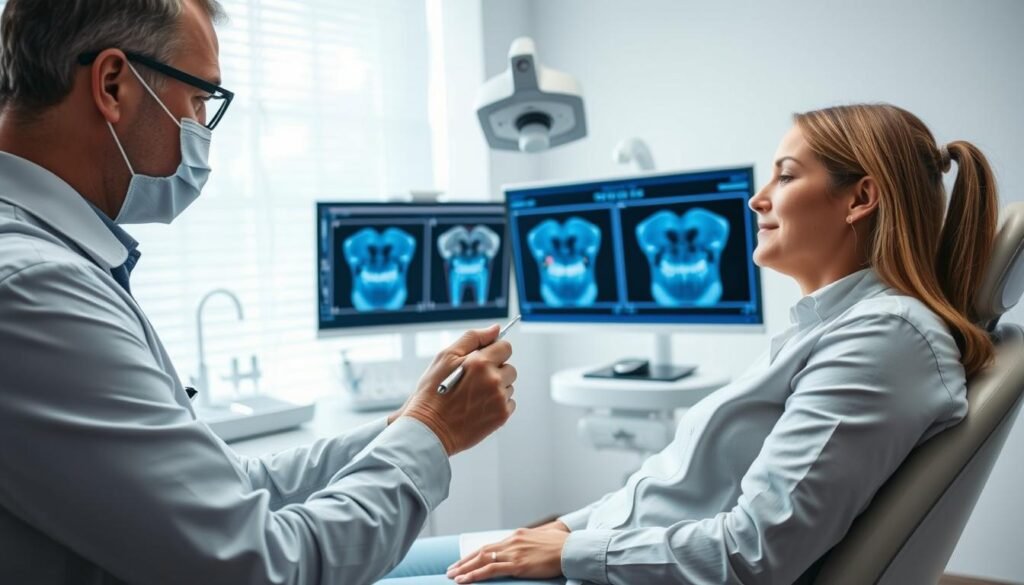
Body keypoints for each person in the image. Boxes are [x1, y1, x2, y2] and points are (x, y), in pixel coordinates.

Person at [0, 1, 517, 583]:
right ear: (114, 84)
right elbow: (262, 567)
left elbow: (233, 488)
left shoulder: (58, 263)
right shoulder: (34, 288)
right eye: (199, 100)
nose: (201, 130)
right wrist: (434, 433)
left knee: (501, 553)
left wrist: (406, 422)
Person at [380, 103, 998, 585]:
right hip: (610, 546)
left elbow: (756, 555)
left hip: (629, 574)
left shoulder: (884, 339)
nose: (757, 199)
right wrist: (556, 531)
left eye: (785, 176)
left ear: (861, 198)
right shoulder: (831, 327)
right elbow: (667, 492)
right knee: (363, 559)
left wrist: (568, 549)